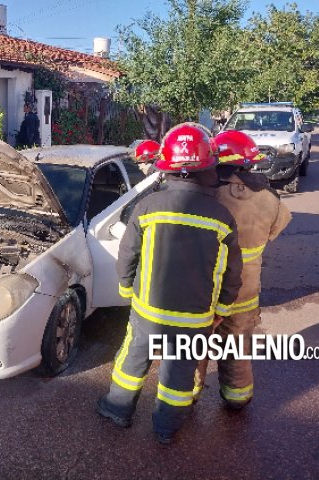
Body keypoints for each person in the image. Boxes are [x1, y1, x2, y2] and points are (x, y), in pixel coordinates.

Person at [97, 124, 243, 444]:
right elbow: (232, 271)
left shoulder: (148, 206)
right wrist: (221, 310)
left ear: (166, 167)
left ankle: (117, 409)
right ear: (208, 168)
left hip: (148, 311)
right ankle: (165, 427)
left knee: (133, 358)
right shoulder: (222, 217)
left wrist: (126, 289)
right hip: (195, 319)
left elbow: (128, 252)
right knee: (179, 372)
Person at [193, 130, 291, 409]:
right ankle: (237, 398)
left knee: (194, 346)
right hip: (244, 292)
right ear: (249, 162)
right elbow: (275, 230)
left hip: (204, 290)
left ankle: (187, 397)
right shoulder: (269, 198)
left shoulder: (204, 194)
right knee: (237, 347)